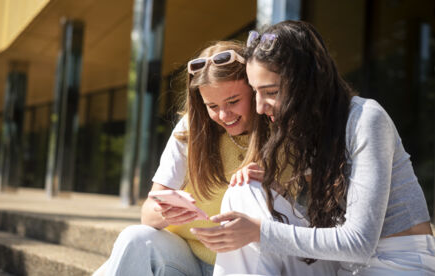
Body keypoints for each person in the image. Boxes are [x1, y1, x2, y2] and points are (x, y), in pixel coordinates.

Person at [191, 21, 435, 275]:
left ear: (307, 83)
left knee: (257, 226)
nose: (260, 107)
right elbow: (324, 228)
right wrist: (275, 191)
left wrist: (259, 231)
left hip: (398, 262)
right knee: (246, 191)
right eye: (255, 93)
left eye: (271, 91)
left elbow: (359, 243)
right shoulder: (308, 131)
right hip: (344, 266)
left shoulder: (366, 119)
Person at [94, 39, 338, 276]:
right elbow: (147, 213)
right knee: (135, 238)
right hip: (187, 258)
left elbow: (322, 210)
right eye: (212, 106)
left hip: (256, 264)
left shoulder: (287, 131)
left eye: (233, 101)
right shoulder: (190, 130)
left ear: (254, 89)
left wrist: (275, 187)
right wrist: (164, 213)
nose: (224, 114)